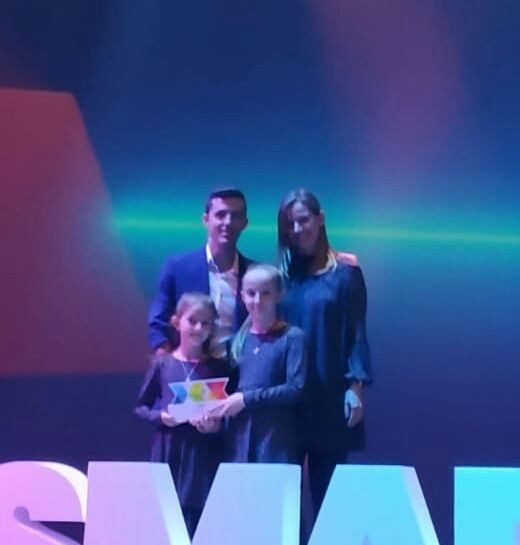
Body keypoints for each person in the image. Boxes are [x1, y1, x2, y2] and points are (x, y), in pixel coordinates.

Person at [275, 189, 372, 510]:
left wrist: (355, 387)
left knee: (329, 498)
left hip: (329, 396)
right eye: (291, 224)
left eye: (303, 220)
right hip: (288, 399)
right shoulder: (283, 277)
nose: (298, 229)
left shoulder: (345, 273)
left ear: (320, 219)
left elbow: (356, 332)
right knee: (284, 501)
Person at [134, 293, 231, 531]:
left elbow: (229, 415)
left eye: (206, 322)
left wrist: (216, 426)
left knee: (200, 520)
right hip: (169, 449)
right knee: (166, 518)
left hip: (202, 453)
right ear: (177, 322)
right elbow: (141, 406)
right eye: (193, 321)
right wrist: (161, 417)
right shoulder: (163, 364)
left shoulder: (218, 367)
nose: (199, 328)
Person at [204, 265, 307, 464]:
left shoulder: (293, 338)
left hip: (276, 443)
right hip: (238, 443)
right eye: (251, 293)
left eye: (266, 293)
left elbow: (296, 389)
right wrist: (212, 419)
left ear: (280, 295)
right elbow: (227, 393)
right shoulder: (236, 342)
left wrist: (246, 399)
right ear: (242, 295)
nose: (257, 301)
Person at [146, 188, 254, 356]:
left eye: (236, 216)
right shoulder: (177, 267)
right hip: (189, 374)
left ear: (245, 223)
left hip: (241, 376)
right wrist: (169, 367)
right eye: (221, 215)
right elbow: (158, 324)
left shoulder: (255, 275)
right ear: (205, 220)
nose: (228, 222)